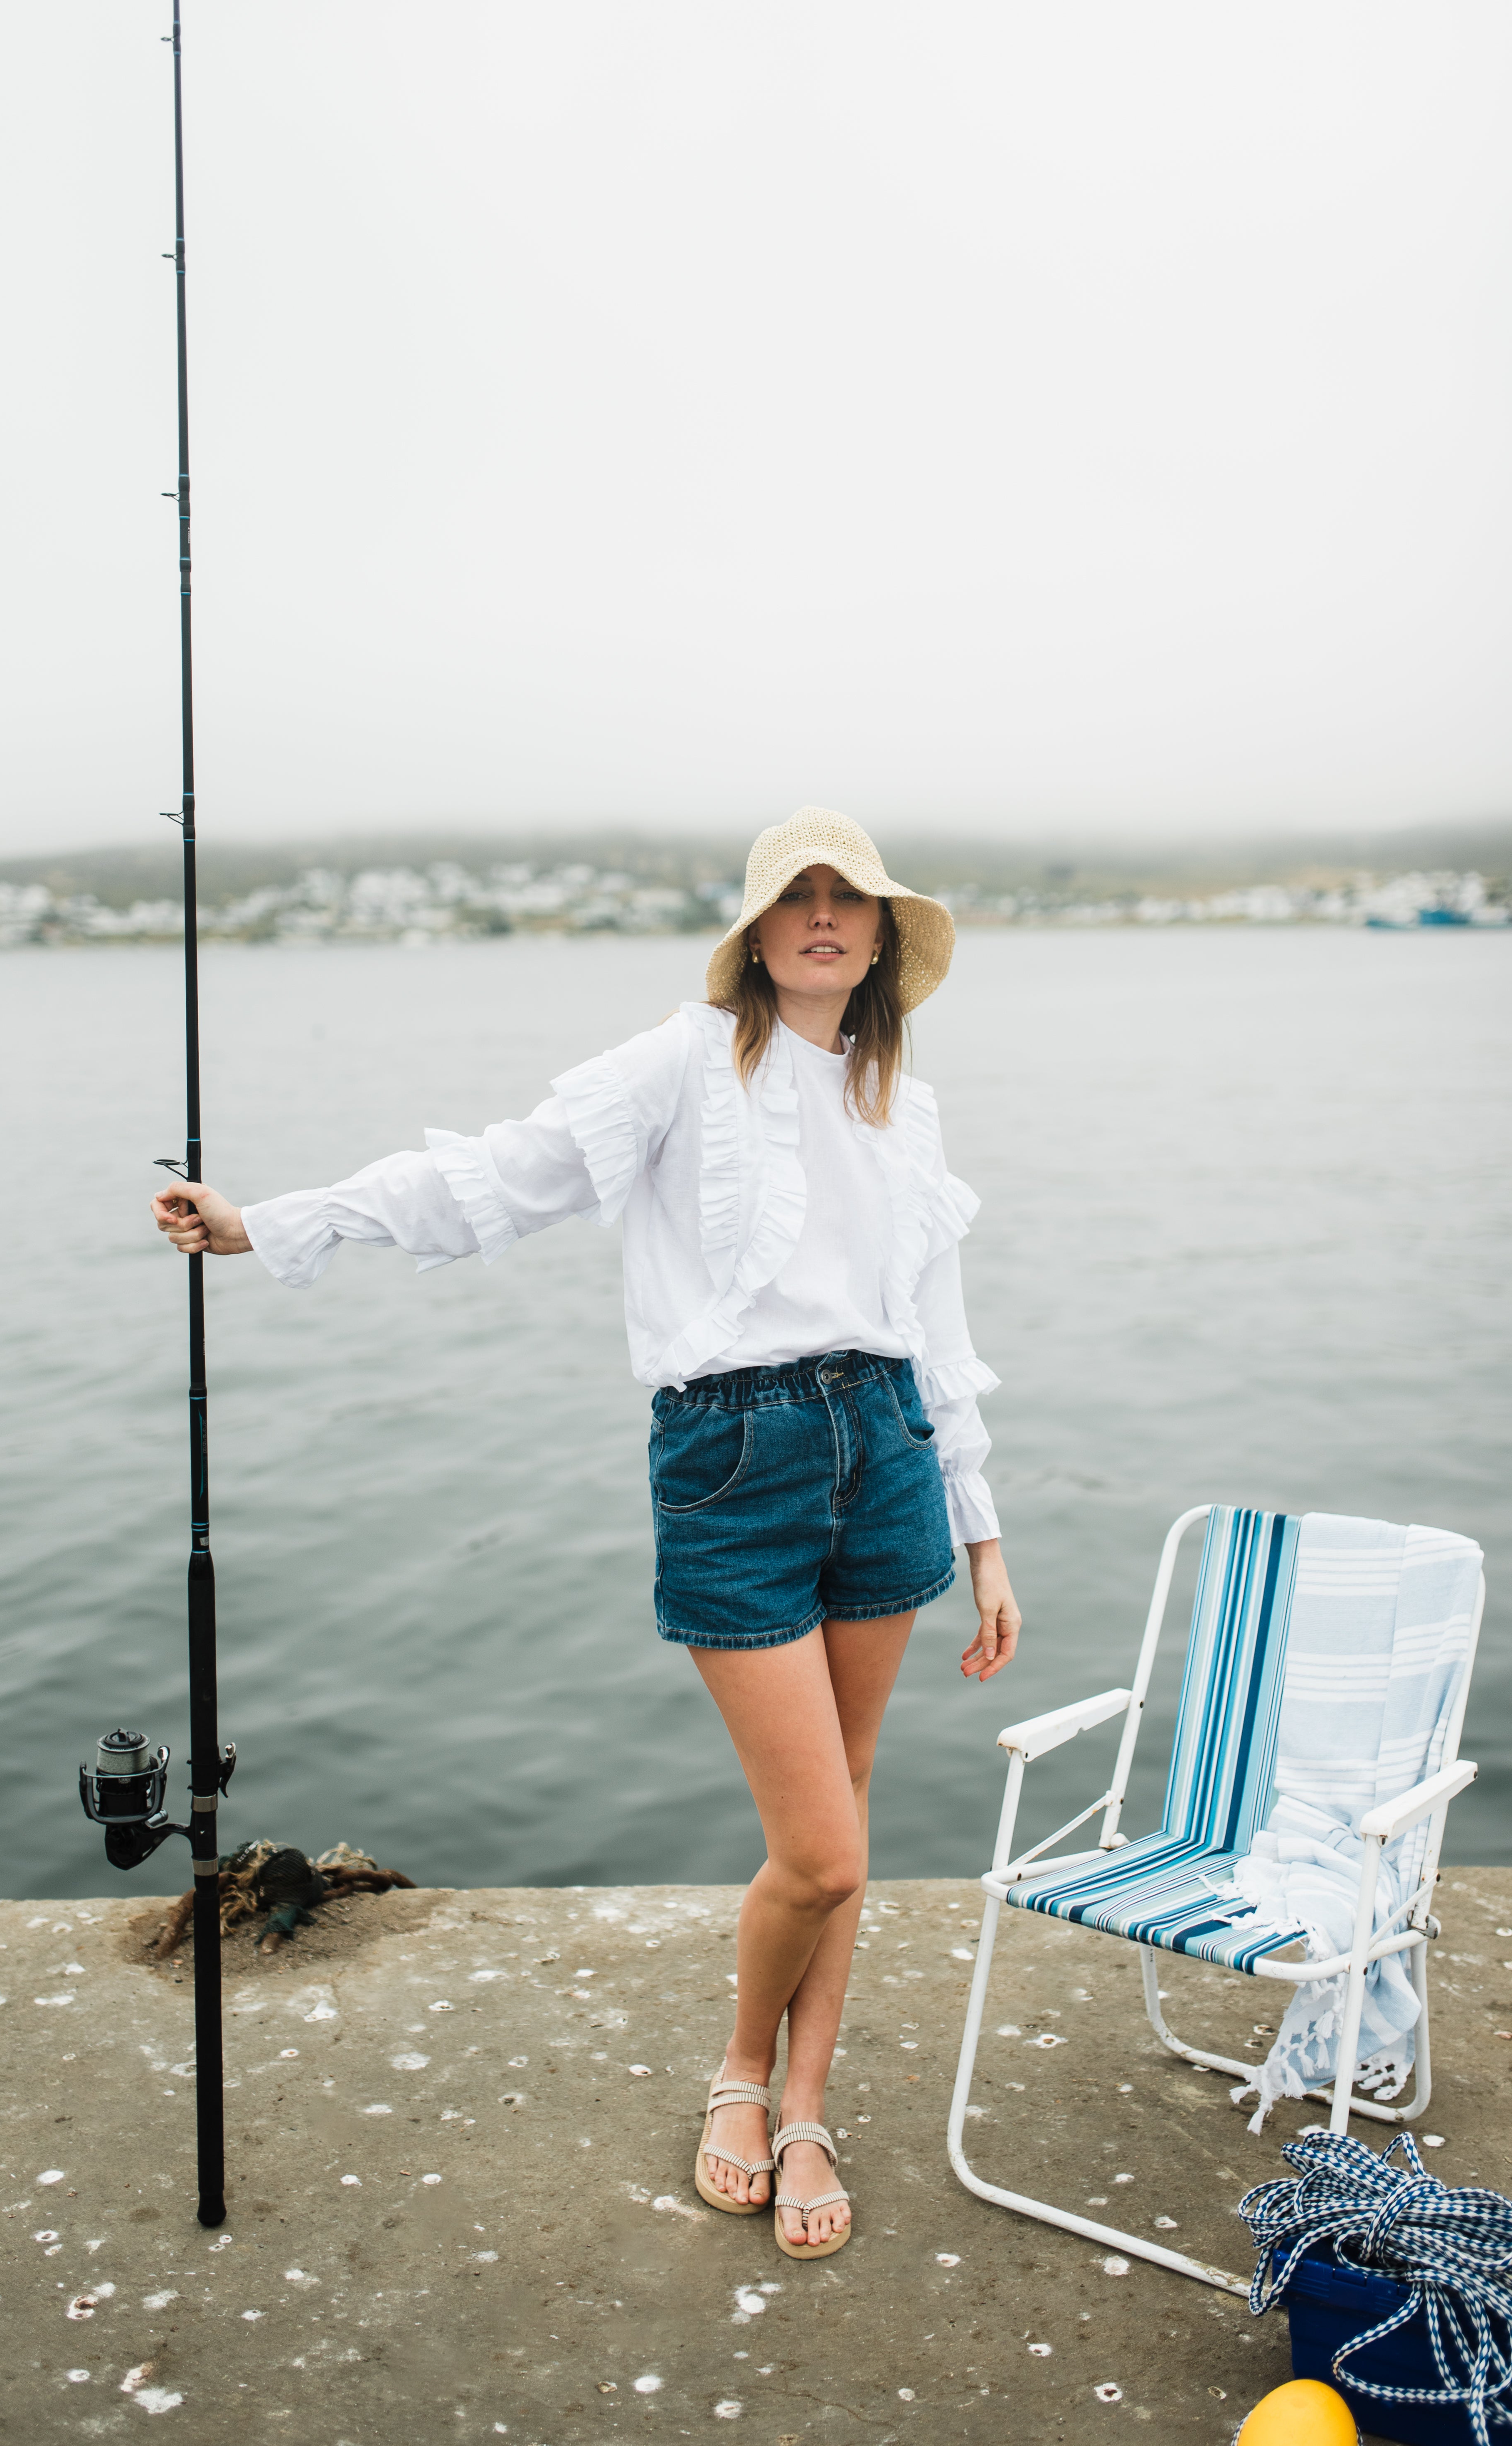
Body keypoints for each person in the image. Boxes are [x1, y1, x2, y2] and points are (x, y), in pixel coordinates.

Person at [152, 806, 1020, 2260]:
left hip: (889, 1451)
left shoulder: (900, 1105)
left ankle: (805, 2101)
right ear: (756, 933)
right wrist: (274, 1224)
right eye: (795, 898)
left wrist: (983, 1530)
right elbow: (502, 1173)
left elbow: (937, 1327)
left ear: (880, 935)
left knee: (850, 1824)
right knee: (817, 1849)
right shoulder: (683, 1060)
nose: (822, 916)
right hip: (736, 1457)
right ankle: (738, 2075)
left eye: (848, 899)